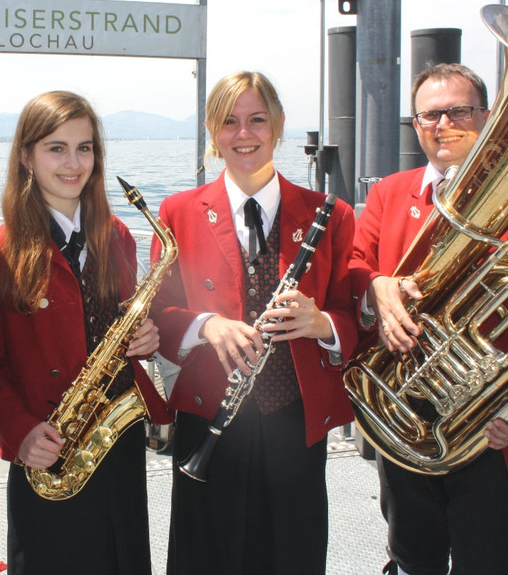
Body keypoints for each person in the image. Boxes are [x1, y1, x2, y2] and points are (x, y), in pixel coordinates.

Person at [350, 62, 508, 575]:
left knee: (485, 564)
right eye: (429, 115)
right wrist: (376, 287)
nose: (443, 124)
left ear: (487, 117)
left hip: (494, 426)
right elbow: (355, 268)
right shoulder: (388, 195)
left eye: (459, 111)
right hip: (405, 412)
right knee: (410, 557)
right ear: (416, 125)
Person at [150, 71, 358, 574]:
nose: (243, 134)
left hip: (295, 422)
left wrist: (321, 323)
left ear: (279, 125)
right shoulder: (177, 212)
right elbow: (157, 313)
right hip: (208, 417)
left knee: (291, 557)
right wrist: (206, 325)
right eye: (229, 122)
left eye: (257, 120)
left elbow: (356, 318)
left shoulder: (329, 214)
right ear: (211, 130)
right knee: (205, 559)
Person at [0, 90, 171, 574]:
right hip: (48, 448)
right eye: (56, 148)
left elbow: (126, 324)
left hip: (117, 441)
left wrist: (147, 339)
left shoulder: (116, 235)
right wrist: (19, 432)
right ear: (26, 156)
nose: (73, 163)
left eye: (85, 148)